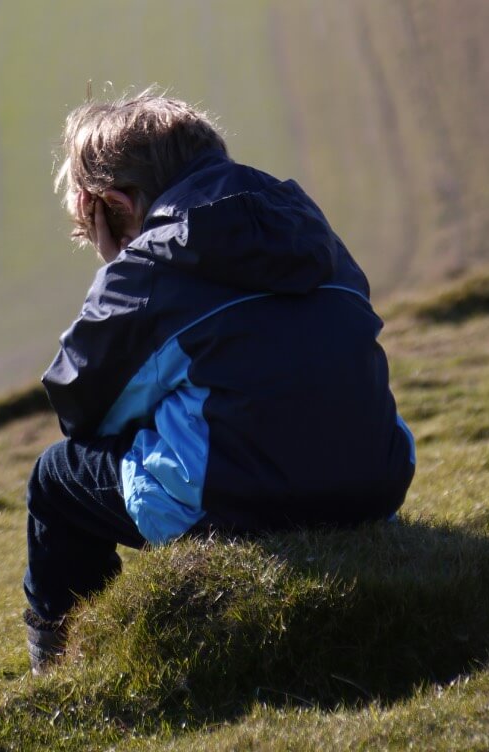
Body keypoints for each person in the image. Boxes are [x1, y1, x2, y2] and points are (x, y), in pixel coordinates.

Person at [23, 90, 416, 675]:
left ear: (112, 204)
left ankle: (67, 667)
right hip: (373, 485)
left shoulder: (146, 268)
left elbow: (80, 406)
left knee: (57, 477)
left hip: (233, 504)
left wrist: (114, 270)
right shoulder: (312, 232)